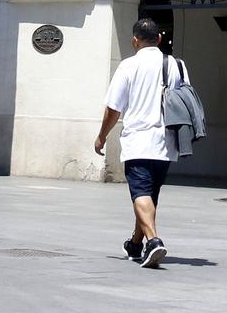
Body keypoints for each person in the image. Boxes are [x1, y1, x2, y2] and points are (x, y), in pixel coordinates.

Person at [93, 17, 180, 270]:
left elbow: (113, 109)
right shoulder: (173, 65)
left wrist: (101, 136)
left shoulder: (128, 66)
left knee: (141, 193)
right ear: (160, 39)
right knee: (149, 196)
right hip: (166, 142)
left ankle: (153, 241)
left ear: (134, 41)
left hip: (138, 141)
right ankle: (135, 243)